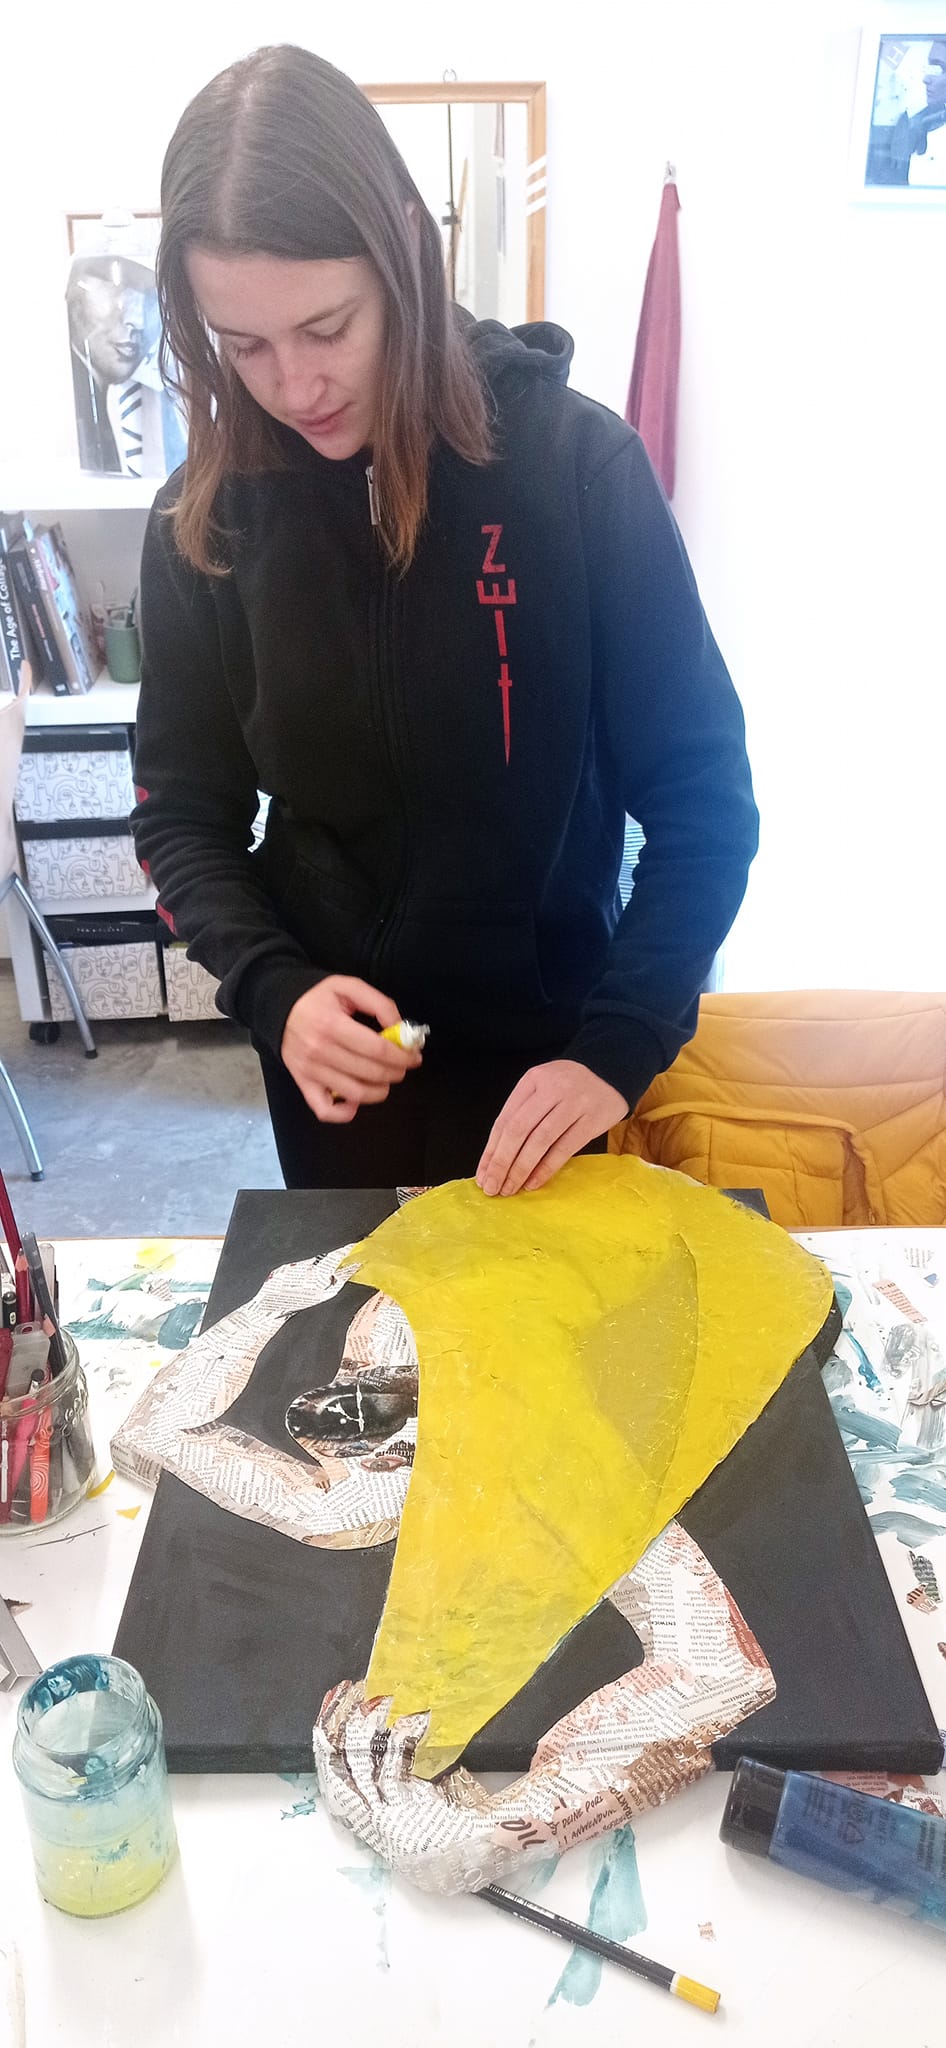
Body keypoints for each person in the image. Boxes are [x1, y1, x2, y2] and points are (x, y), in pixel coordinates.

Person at [132, 45, 759, 1197]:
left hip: (553, 1052)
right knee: (360, 1310)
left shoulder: (579, 469)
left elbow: (704, 805)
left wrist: (618, 1044)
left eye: (327, 327)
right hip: (338, 1057)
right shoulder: (204, 517)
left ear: (404, 256)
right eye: (244, 345)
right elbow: (179, 812)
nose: (294, 386)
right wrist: (272, 987)